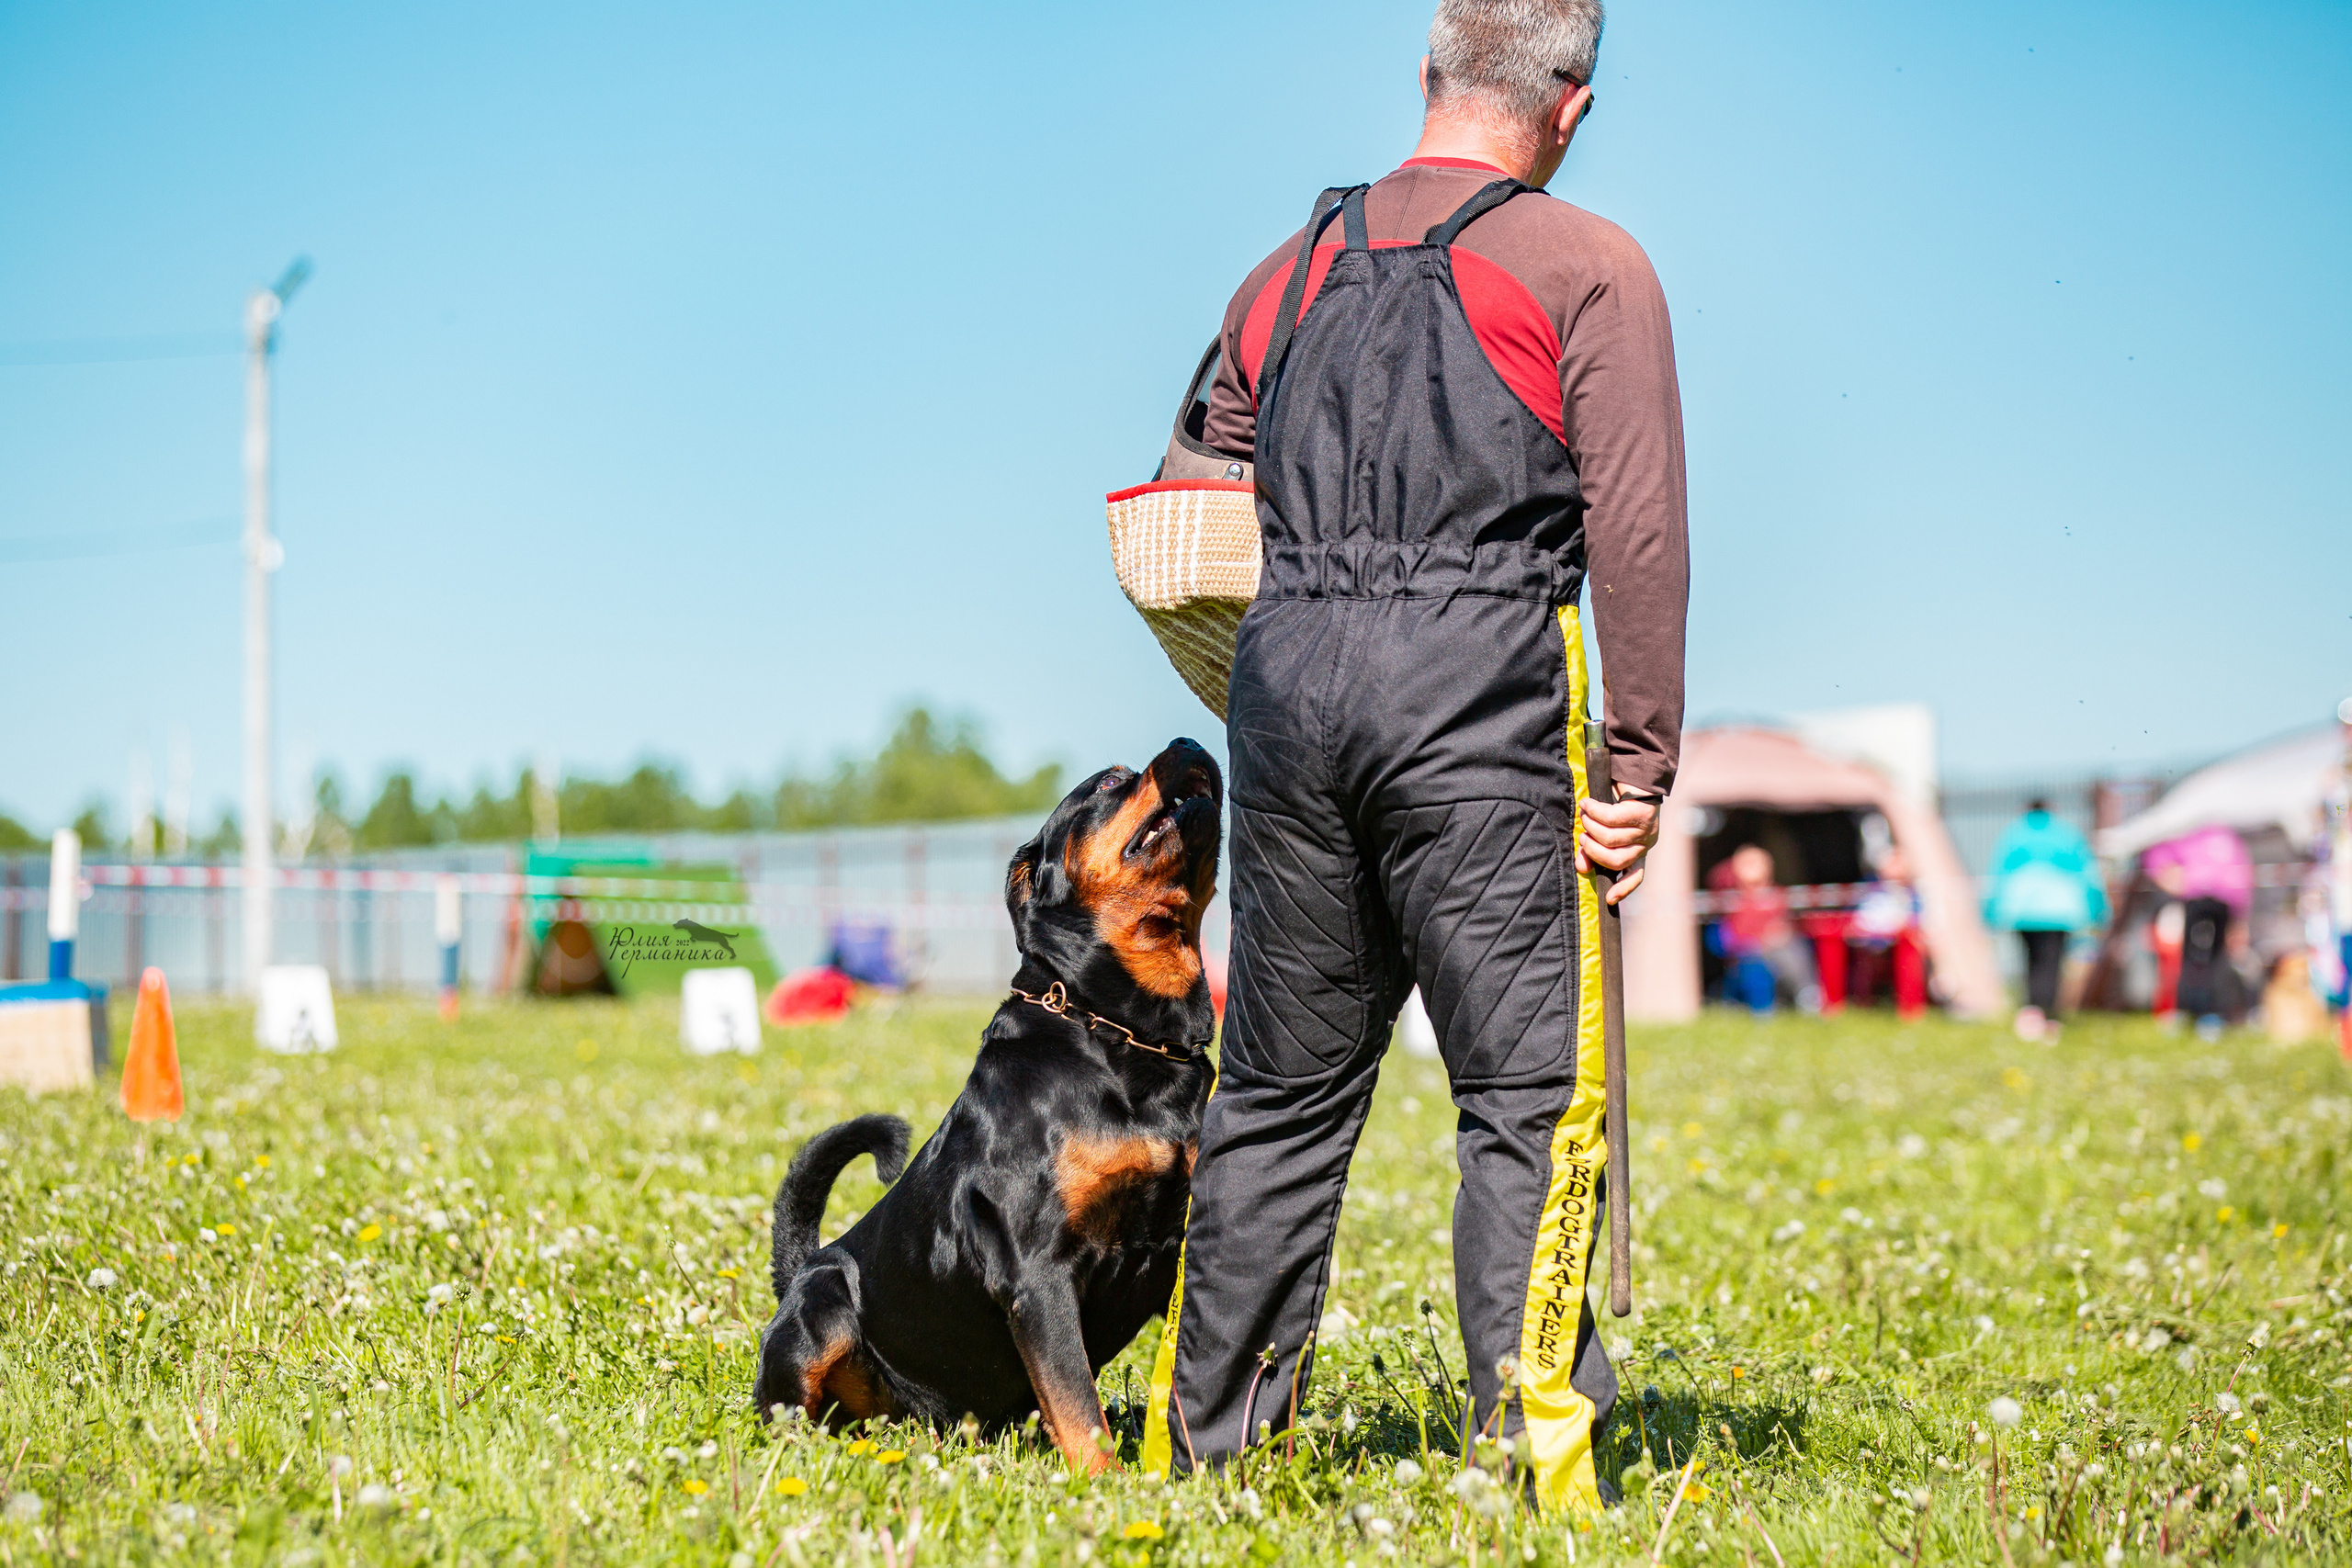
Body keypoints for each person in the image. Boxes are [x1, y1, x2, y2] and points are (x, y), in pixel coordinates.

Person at [1143, 0, 1688, 1513]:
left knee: (1276, 1094)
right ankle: (1532, 1464)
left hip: (1292, 692)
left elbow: (1191, 494)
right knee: (1527, 1096)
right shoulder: (1589, 269)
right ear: (1572, 104)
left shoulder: (1286, 268)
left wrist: (1281, 655)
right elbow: (1634, 536)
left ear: (1429, 75)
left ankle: (1209, 1463)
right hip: (1483, 702)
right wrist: (1636, 765)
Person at [1984, 798, 2106, 1041]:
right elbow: (2087, 873)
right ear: (2052, 809)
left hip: (2021, 910)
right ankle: (2046, 1015)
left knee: (2030, 961)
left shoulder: (2014, 833)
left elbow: (1998, 872)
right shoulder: (2066, 833)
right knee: (2051, 964)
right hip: (2059, 911)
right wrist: (2098, 909)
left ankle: (2030, 1013)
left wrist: (1989, 911)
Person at [1709, 845, 1819, 1014]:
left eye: (1758, 863)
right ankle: (1802, 995)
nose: (1753, 868)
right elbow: (1716, 877)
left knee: (1796, 947)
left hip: (1779, 947)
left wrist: (1780, 931)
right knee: (1768, 959)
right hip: (1747, 950)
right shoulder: (1731, 895)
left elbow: (1789, 923)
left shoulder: (1777, 894)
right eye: (1747, 863)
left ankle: (1807, 993)